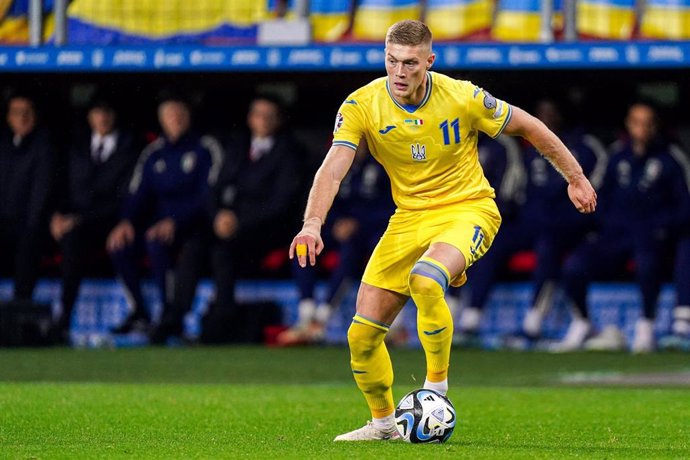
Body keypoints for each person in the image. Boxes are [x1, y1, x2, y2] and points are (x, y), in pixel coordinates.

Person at [288, 20, 597, 441]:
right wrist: (312, 224)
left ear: (429, 62)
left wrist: (574, 176)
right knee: (360, 336)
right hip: (409, 218)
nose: (399, 72)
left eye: (410, 63)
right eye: (391, 61)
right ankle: (382, 424)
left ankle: (436, 391)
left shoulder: (462, 96)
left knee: (426, 279)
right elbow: (333, 168)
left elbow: (529, 126)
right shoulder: (361, 105)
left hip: (468, 209)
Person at [557, 102, 690, 353]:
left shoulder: (671, 158)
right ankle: (583, 322)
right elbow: (598, 195)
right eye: (636, 122)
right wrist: (600, 222)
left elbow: (684, 206)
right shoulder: (616, 155)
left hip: (652, 237)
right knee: (574, 265)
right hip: (615, 236)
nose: (642, 128)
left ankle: (645, 327)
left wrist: (662, 227)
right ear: (629, 125)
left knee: (647, 262)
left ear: (655, 126)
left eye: (647, 123)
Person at [106, 96, 222, 342]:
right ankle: (139, 310)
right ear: (161, 120)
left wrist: (177, 221)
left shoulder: (205, 147)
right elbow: (138, 193)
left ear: (189, 115)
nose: (175, 120)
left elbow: (208, 196)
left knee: (158, 243)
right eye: (169, 115)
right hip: (158, 225)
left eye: (180, 113)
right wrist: (126, 221)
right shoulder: (153, 152)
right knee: (120, 244)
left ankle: (170, 315)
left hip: (194, 226)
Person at [278, 141, 395, 346]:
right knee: (303, 245)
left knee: (351, 251)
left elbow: (389, 206)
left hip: (368, 232)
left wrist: (357, 223)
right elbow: (319, 197)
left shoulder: (383, 165)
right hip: (334, 227)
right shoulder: (332, 164)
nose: (356, 146)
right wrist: (335, 222)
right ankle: (306, 313)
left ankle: (322, 317)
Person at [206, 95, 304, 338]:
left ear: (279, 121)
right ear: (250, 118)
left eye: (270, 116)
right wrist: (219, 216)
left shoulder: (290, 153)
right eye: (259, 114)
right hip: (227, 226)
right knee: (195, 245)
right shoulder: (236, 147)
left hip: (267, 232)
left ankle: (222, 320)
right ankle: (177, 319)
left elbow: (281, 204)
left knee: (223, 251)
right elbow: (214, 189)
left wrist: (239, 221)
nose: (263, 121)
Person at [50, 99, 140, 342]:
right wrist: (58, 215)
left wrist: (79, 219)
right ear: (90, 116)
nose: (102, 117)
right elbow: (63, 187)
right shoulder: (76, 148)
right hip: (78, 225)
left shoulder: (130, 149)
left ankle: (140, 311)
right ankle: (64, 317)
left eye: (107, 111)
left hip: (112, 220)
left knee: (122, 243)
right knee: (71, 242)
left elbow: (125, 197)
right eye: (98, 112)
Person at [0, 93, 55, 302]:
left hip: (29, 224)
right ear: (8, 118)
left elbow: (40, 194)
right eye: (16, 113)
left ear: (36, 116)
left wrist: (31, 225)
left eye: (27, 113)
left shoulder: (45, 145)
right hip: (4, 222)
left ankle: (19, 311)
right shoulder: (4, 144)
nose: (22, 118)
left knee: (29, 244)